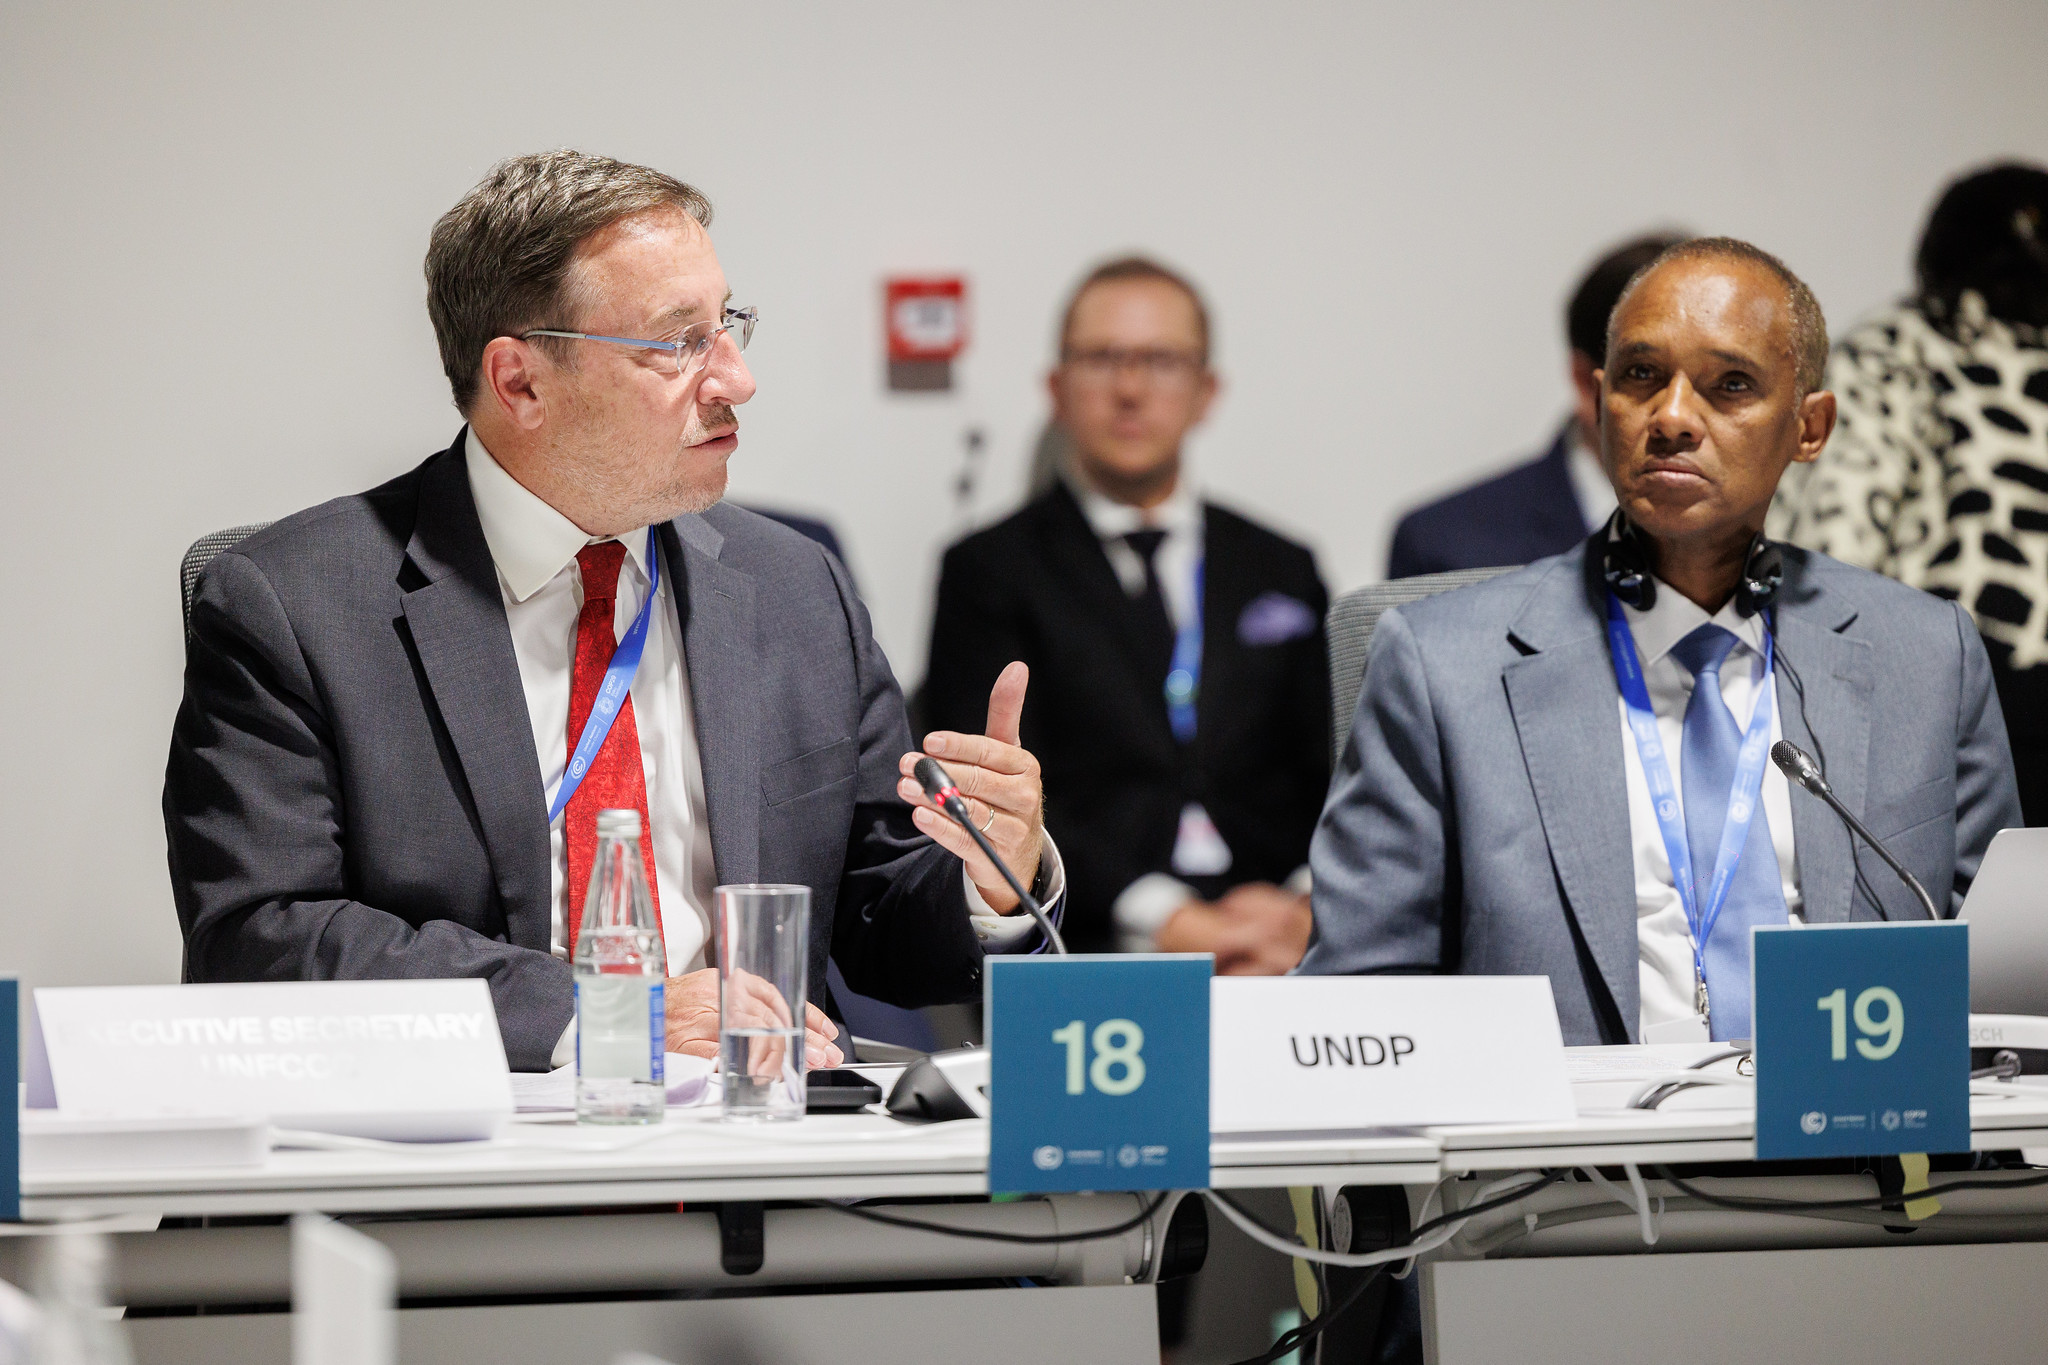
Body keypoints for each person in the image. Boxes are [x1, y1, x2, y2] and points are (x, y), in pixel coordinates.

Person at [164, 151, 1061, 1073]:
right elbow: (261, 938)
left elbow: (876, 920)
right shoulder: (296, 604)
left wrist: (988, 877)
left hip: (764, 1162)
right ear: (519, 383)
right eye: (679, 343)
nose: (736, 379)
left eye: (729, 326)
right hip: (465, 1175)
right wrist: (605, 1019)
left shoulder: (796, 589)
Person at [1303, 237, 2020, 1049]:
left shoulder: (1926, 655)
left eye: (1731, 385)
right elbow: (1357, 1005)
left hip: (1847, 1152)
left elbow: (2001, 999)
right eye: (1642, 377)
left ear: (1809, 427)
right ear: (1600, 399)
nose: (1674, 417)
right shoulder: (1443, 665)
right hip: (1569, 1168)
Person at [925, 257, 1330, 971]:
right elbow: (991, 787)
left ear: (1208, 391)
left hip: (1289, 945)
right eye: (1103, 358)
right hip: (1091, 944)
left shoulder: (1281, 565)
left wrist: (1306, 905)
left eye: (1163, 361)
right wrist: (1167, 917)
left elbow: (1337, 762)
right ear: (1057, 387)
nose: (1132, 388)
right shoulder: (988, 569)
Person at [1774, 162, 2048, 824]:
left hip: (1953, 678)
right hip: (1970, 676)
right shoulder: (1905, 345)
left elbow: (1836, 539)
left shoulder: (1896, 343)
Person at [1387, 232, 1688, 578]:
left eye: (1727, 383)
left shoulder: (1754, 525)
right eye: (1647, 375)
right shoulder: (1447, 545)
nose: (1682, 412)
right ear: (1585, 382)